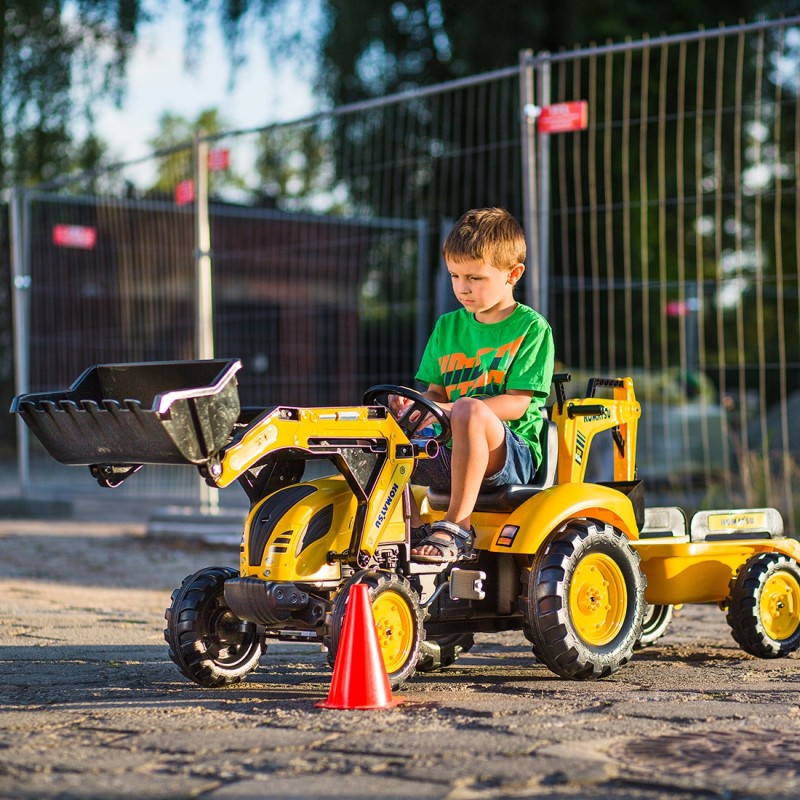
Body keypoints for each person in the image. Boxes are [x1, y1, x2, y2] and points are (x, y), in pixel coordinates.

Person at [391, 207, 555, 564]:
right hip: (451, 446)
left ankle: (457, 527)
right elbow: (435, 395)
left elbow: (517, 405)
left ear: (513, 274)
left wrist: (452, 409)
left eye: (475, 278)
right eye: (455, 276)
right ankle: (414, 527)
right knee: (385, 423)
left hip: (511, 454)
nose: (462, 288)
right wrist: (415, 408)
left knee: (469, 408)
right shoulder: (447, 327)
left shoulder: (531, 328)